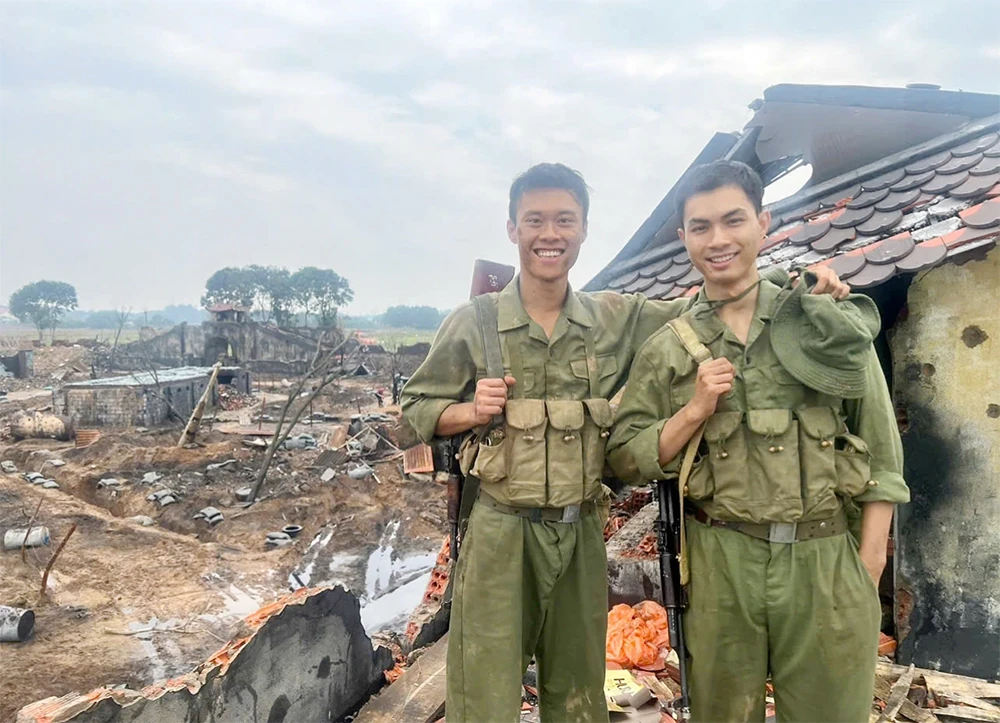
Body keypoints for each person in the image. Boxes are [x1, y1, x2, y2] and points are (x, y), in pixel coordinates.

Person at [401, 162, 849, 723]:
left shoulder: (615, 317)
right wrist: (470, 410)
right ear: (512, 229)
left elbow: (713, 298)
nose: (550, 234)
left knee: (578, 687)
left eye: (565, 220)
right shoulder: (475, 322)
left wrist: (797, 282)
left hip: (581, 530)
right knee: (484, 686)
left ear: (584, 230)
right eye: (534, 220)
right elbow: (414, 409)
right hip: (499, 530)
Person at [607, 160, 909, 723]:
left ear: (763, 223)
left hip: (824, 558)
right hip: (721, 561)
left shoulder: (825, 323)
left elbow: (882, 450)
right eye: (700, 227)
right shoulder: (670, 348)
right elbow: (622, 456)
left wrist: (866, 571)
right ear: (683, 239)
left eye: (733, 220)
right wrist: (693, 410)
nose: (718, 240)